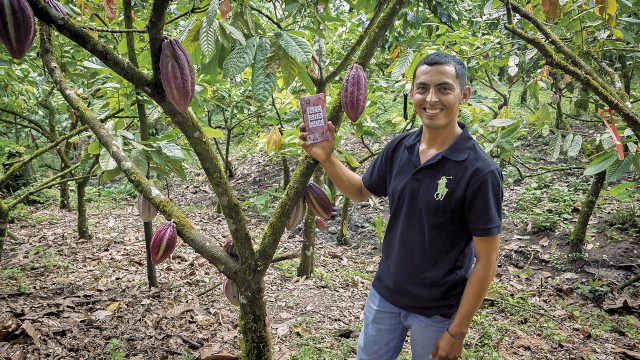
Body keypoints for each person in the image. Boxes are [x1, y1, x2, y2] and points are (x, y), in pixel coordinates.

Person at [299, 52, 503, 360]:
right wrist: (328, 157)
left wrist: (457, 332)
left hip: (437, 312)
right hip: (386, 296)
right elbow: (361, 190)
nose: (431, 98)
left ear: (464, 95)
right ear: (412, 93)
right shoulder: (401, 146)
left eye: (444, 88)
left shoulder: (480, 171)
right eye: (423, 88)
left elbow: (486, 261)